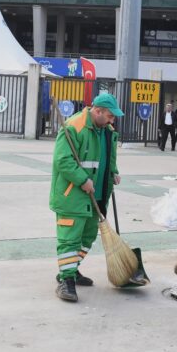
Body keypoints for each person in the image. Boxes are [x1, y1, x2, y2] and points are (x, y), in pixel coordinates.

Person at [49, 92, 124, 303]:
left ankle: (71, 269)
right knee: (69, 239)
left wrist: (113, 172)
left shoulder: (106, 131)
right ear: (98, 111)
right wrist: (82, 180)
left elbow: (106, 156)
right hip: (72, 196)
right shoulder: (74, 127)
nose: (112, 120)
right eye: (110, 115)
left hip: (98, 197)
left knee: (87, 238)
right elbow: (63, 161)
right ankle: (66, 281)